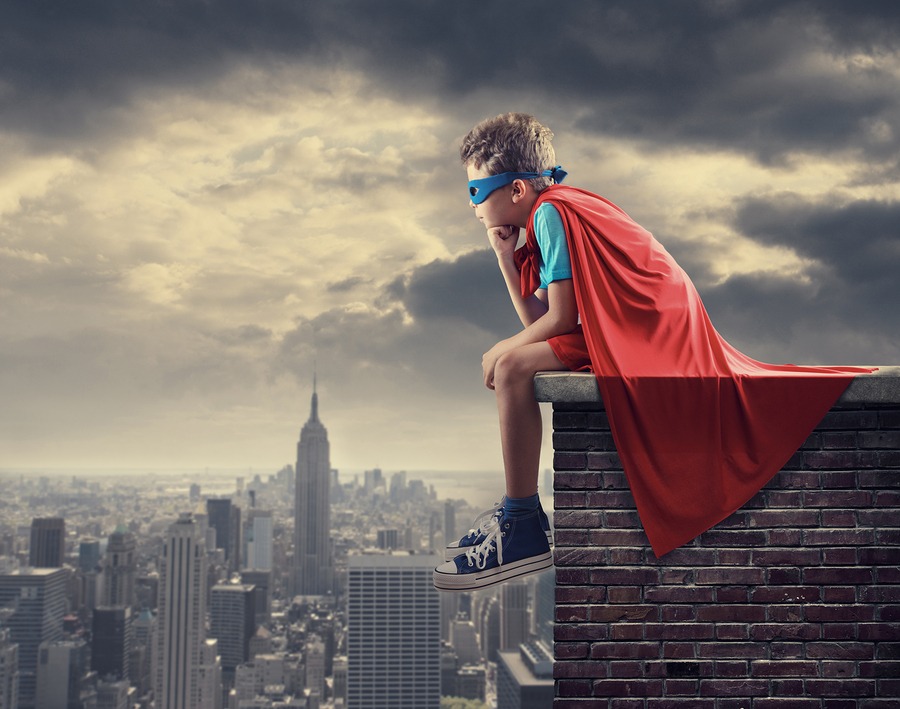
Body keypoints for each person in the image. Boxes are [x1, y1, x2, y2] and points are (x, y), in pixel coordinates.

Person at [432, 113, 873, 593]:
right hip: (638, 319)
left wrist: (498, 349)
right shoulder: (552, 211)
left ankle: (522, 526)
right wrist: (503, 255)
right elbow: (539, 323)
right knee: (514, 360)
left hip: (648, 326)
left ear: (516, 190)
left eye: (476, 192)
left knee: (511, 364)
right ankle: (522, 516)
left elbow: (556, 321)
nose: (471, 204)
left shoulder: (550, 213)